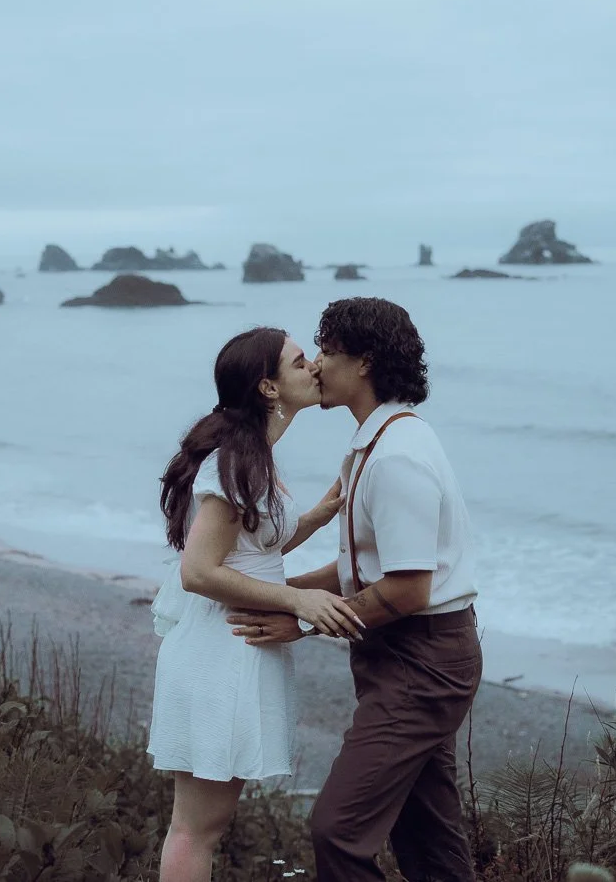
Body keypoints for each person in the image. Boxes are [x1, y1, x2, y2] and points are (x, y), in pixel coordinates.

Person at [227, 298, 481, 881]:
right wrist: (281, 592)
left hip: (424, 659)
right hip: (399, 652)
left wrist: (304, 620)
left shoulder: (396, 456)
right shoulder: (375, 442)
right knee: (429, 838)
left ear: (363, 363)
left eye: (328, 352)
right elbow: (361, 571)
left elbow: (408, 590)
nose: (316, 365)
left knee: (338, 830)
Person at [148, 326, 365, 882]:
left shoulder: (253, 453)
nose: (315, 367)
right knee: (197, 828)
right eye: (300, 363)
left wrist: (319, 514)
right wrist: (298, 598)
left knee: (204, 824)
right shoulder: (234, 463)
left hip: (232, 647)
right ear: (269, 388)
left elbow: (252, 545)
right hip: (220, 653)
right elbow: (198, 570)